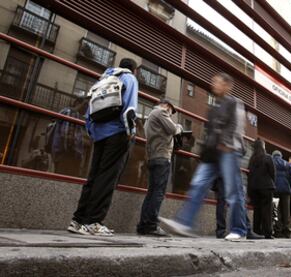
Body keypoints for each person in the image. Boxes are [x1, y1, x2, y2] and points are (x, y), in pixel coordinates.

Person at [159, 72, 248, 240]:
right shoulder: (214, 108)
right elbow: (209, 132)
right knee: (198, 185)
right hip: (212, 153)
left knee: (233, 192)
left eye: (218, 82)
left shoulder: (234, 103)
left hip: (229, 150)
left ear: (227, 85)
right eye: (213, 81)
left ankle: (239, 229)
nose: (213, 84)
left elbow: (237, 126)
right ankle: (184, 223)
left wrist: (227, 144)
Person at [67, 58, 138, 236]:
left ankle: (77, 221)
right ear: (134, 70)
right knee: (107, 179)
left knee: (94, 177)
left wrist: (93, 133)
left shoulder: (103, 79)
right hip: (117, 134)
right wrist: (130, 135)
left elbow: (89, 112)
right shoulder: (130, 79)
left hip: (99, 135)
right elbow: (129, 111)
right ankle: (93, 222)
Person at [136, 99, 183, 236]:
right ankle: (151, 226)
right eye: (170, 111)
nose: (170, 114)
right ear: (167, 106)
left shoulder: (150, 116)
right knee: (158, 193)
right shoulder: (160, 112)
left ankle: (143, 225)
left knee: (151, 192)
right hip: (162, 157)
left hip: (153, 157)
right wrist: (179, 126)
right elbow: (173, 129)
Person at [49, 97, 86, 176]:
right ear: (77, 103)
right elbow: (67, 135)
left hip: (61, 155)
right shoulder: (72, 113)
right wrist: (72, 154)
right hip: (67, 157)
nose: (86, 108)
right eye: (85, 105)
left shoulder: (65, 111)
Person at [247, 139, 276, 239]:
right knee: (267, 210)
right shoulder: (268, 157)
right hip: (266, 187)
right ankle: (267, 233)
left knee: (257, 210)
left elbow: (249, 175)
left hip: (254, 187)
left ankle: (256, 231)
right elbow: (273, 173)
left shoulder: (251, 159)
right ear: (263, 146)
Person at [272, 150, 291, 238]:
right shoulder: (287, 164)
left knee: (277, 210)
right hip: (286, 190)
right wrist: (290, 188)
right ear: (281, 156)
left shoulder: (271, 162)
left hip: (275, 189)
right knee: (286, 211)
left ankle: (278, 231)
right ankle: (288, 231)